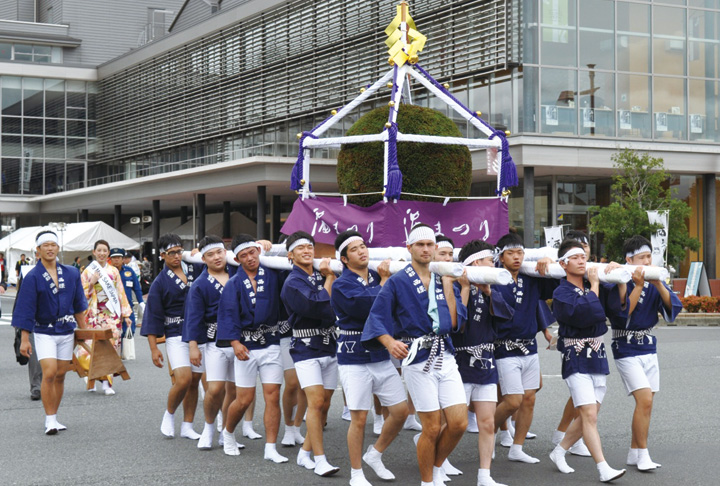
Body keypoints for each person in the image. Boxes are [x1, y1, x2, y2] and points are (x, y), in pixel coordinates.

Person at [362, 223, 468, 486]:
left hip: (445, 353)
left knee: (458, 424)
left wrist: (447, 286)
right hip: (417, 358)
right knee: (431, 427)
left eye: (430, 244)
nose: (425, 249)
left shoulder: (444, 277)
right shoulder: (399, 281)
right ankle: (427, 481)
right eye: (419, 245)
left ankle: (436, 465)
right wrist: (389, 342)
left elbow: (455, 323)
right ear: (408, 248)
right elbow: (375, 317)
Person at [331, 230, 409, 486]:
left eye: (363, 246)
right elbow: (369, 306)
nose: (362, 251)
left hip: (380, 356)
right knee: (359, 418)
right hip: (353, 359)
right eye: (354, 249)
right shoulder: (342, 284)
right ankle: (356, 473)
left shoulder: (377, 275)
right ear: (344, 259)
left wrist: (385, 279)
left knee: (400, 411)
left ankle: (375, 454)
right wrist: (386, 282)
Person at [548, 239, 627, 482]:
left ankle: (559, 451)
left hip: (597, 356)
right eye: (575, 257)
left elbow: (617, 310)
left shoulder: (596, 285)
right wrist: (594, 283)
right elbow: (586, 314)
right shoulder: (560, 293)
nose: (582, 260)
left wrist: (618, 277)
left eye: (584, 256)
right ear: (563, 263)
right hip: (576, 357)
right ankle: (603, 468)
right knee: (589, 415)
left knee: (588, 415)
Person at [611, 235, 682, 471]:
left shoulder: (654, 279)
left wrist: (659, 282)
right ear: (629, 260)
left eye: (650, 256)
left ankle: (634, 451)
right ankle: (643, 454)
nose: (648, 261)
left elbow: (672, 309)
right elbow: (622, 314)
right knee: (645, 399)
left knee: (647, 404)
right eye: (642, 257)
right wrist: (639, 285)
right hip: (626, 346)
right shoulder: (620, 279)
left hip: (649, 346)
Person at [216, 233, 289, 462]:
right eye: (244, 255)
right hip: (245, 346)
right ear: (237, 260)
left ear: (259, 252)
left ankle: (270, 448)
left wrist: (271, 248)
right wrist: (235, 342)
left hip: (271, 342)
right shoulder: (234, 283)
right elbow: (227, 314)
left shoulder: (272, 274)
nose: (250, 258)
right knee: (244, 399)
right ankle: (228, 434)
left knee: (272, 396)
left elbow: (291, 263)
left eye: (252, 252)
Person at [12, 230, 88, 434]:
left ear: (58, 248)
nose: (50, 248)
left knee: (61, 374)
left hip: (66, 330)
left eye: (53, 244)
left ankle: (55, 415)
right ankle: (50, 419)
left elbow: (79, 304)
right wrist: (25, 340)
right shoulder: (32, 276)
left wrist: (87, 332)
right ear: (37, 250)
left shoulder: (72, 273)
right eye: (45, 245)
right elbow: (26, 309)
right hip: (44, 330)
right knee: (49, 373)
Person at [491, 232, 554, 464]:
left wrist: (548, 263)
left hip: (529, 348)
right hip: (504, 348)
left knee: (529, 399)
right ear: (500, 257)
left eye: (520, 252)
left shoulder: (530, 279)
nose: (516, 257)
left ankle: (517, 447)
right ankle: (490, 433)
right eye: (510, 253)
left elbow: (552, 288)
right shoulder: (493, 278)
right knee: (512, 401)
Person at [281, 231, 340, 477]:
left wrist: (327, 276)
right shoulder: (292, 282)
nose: (307, 251)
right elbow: (316, 305)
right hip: (305, 346)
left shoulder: (320, 273)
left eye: (310, 247)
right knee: (315, 402)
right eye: (301, 248)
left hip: (329, 344)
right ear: (290, 255)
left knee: (324, 404)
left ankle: (304, 452)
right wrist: (329, 279)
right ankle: (320, 458)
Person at [455, 240, 513, 486]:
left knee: (487, 423)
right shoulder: (456, 286)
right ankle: (436, 465)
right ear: (477, 263)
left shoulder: (489, 289)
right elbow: (456, 324)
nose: (494, 264)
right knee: (453, 424)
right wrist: (466, 289)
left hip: (486, 363)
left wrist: (489, 293)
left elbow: (506, 318)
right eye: (490, 261)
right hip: (460, 363)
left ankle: (484, 475)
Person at [141, 233, 201, 440]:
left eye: (179, 251)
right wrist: (153, 348)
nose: (177, 256)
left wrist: (199, 254)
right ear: (162, 256)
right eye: (172, 253)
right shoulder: (159, 282)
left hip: (198, 333)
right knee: (183, 379)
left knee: (195, 380)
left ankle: (188, 425)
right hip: (175, 334)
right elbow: (152, 316)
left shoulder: (195, 269)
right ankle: (169, 413)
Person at [183, 235, 241, 452]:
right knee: (215, 389)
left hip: (239, 341)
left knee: (234, 390)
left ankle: (228, 431)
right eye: (210, 255)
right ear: (203, 259)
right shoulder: (199, 285)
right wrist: (192, 346)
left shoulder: (237, 274)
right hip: (214, 341)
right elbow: (193, 317)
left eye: (219, 252)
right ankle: (209, 427)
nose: (217, 257)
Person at [81, 240, 133, 395]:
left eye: (105, 250)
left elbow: (120, 292)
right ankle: (91, 378)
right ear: (94, 252)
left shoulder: (114, 272)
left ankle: (107, 382)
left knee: (110, 348)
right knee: (90, 349)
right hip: (93, 315)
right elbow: (81, 295)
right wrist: (91, 284)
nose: (102, 253)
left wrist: (126, 314)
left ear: (108, 253)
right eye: (99, 250)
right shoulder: (87, 272)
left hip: (111, 314)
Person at [109, 248, 144, 338]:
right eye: (114, 258)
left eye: (119, 257)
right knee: (114, 335)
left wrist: (141, 302)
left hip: (128, 307)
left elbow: (136, 288)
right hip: (112, 308)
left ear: (123, 259)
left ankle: (126, 352)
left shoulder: (129, 271)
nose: (116, 260)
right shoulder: (107, 273)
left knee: (129, 332)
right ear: (110, 259)